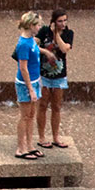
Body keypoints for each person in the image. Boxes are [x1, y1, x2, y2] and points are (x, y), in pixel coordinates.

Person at [14, 12, 55, 159]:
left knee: (31, 115)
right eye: (38, 25)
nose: (40, 27)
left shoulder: (31, 40)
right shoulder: (23, 45)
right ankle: (21, 148)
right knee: (25, 116)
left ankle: (29, 145)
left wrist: (46, 53)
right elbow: (23, 68)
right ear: (31, 26)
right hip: (26, 84)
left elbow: (36, 50)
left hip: (34, 80)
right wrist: (31, 90)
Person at [36, 9, 74, 148]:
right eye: (60, 21)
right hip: (44, 74)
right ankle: (41, 137)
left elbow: (64, 49)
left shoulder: (69, 34)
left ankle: (56, 137)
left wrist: (56, 34)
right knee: (43, 105)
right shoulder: (44, 31)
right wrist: (44, 51)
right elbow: (33, 44)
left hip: (59, 76)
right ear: (53, 21)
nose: (63, 23)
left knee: (56, 106)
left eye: (65, 20)